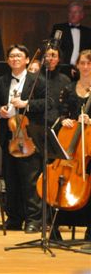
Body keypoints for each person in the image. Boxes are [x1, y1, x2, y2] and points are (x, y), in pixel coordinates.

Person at [0, 44, 48, 233]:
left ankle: (34, 220)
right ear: (7, 60)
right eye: (11, 56)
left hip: (28, 136)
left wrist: (26, 104)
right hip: (8, 135)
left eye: (18, 56)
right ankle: (14, 219)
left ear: (26, 59)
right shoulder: (2, 81)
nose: (15, 59)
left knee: (29, 180)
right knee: (11, 178)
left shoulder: (37, 80)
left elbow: (49, 103)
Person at [51, 49, 91, 244]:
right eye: (82, 63)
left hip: (88, 149)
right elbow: (61, 114)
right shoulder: (68, 88)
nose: (85, 67)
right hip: (70, 145)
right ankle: (54, 228)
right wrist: (65, 121)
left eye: (89, 64)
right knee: (57, 181)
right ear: (77, 65)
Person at [50, 1, 91, 67]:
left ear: (82, 15)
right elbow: (53, 48)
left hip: (82, 68)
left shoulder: (88, 32)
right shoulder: (59, 29)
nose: (72, 15)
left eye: (75, 12)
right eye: (70, 12)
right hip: (63, 68)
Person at [40, 47, 71, 127]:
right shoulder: (35, 78)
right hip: (38, 122)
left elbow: (67, 104)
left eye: (54, 56)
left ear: (59, 59)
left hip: (59, 123)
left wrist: (62, 119)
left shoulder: (65, 80)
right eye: (48, 55)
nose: (50, 59)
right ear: (43, 58)